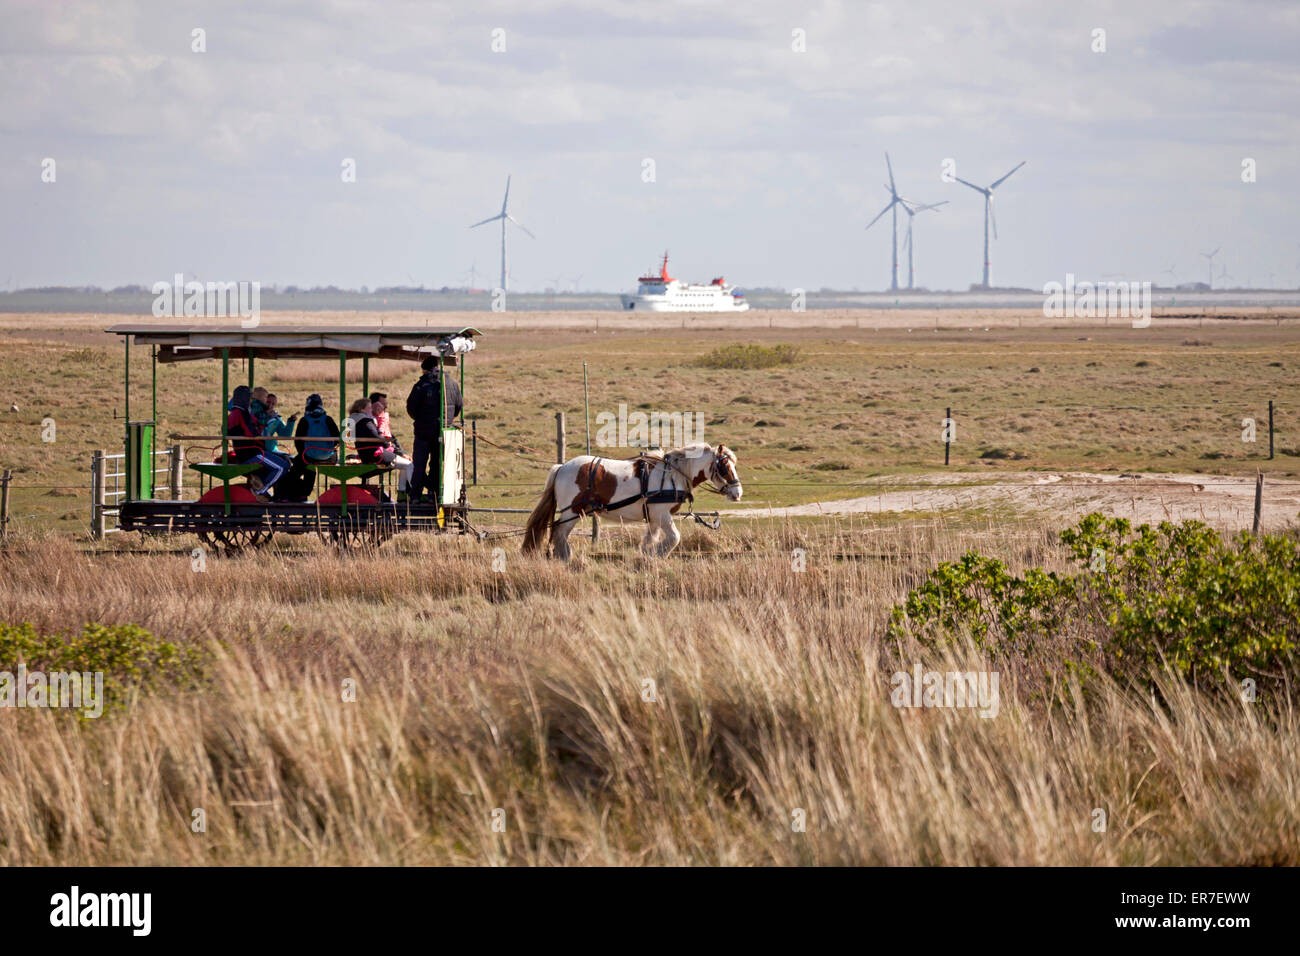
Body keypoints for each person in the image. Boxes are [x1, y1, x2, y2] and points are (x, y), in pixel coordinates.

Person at [405, 355, 462, 504]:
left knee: (419, 463)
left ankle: (415, 495)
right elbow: (458, 406)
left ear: (425, 370)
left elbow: (411, 408)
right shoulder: (452, 384)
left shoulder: (420, 385)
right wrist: (448, 420)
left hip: (423, 431)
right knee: (437, 463)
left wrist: (420, 419)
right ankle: (434, 494)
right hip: (444, 430)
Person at [347, 396, 414, 501]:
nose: (371, 410)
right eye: (369, 408)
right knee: (409, 465)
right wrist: (388, 445)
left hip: (366, 454)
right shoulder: (365, 421)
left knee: (405, 465)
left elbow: (347, 437)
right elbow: (376, 437)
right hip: (376, 454)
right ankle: (414, 495)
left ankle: (402, 493)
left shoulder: (353, 420)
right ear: (361, 409)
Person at [227, 384, 286, 500]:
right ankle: (260, 491)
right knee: (282, 468)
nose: (250, 401)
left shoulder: (234, 413)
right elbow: (252, 433)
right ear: (244, 398)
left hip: (246, 452)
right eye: (249, 398)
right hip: (251, 453)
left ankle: (260, 486)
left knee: (279, 464)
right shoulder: (242, 413)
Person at [279, 393, 339, 502]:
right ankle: (304, 493)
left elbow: (298, 441)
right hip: (328, 457)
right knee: (310, 468)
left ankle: (287, 494)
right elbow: (337, 438)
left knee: (299, 468)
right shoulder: (328, 419)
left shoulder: (304, 420)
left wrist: (305, 453)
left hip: (308, 456)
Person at [261, 393, 297, 490]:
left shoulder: (276, 418)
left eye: (273, 404)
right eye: (268, 402)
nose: (270, 405)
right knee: (285, 461)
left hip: (272, 449)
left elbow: (285, 434)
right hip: (261, 449)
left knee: (293, 460)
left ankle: (283, 491)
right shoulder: (257, 414)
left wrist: (291, 422)